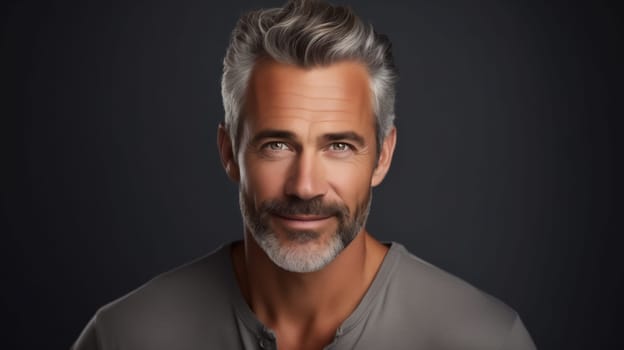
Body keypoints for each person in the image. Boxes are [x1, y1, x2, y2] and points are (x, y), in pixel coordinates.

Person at [72, 0, 537, 349]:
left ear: (382, 156)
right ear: (229, 153)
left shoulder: (486, 340)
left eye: (339, 146)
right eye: (277, 145)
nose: (305, 186)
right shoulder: (125, 337)